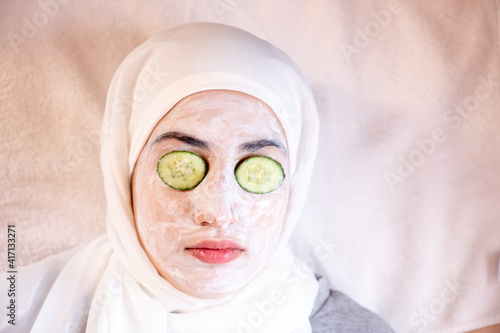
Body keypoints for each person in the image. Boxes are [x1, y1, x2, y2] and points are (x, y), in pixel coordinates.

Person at [1, 23, 394, 332]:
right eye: (182, 165)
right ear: (125, 175)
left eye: (257, 170)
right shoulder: (21, 304)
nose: (219, 212)